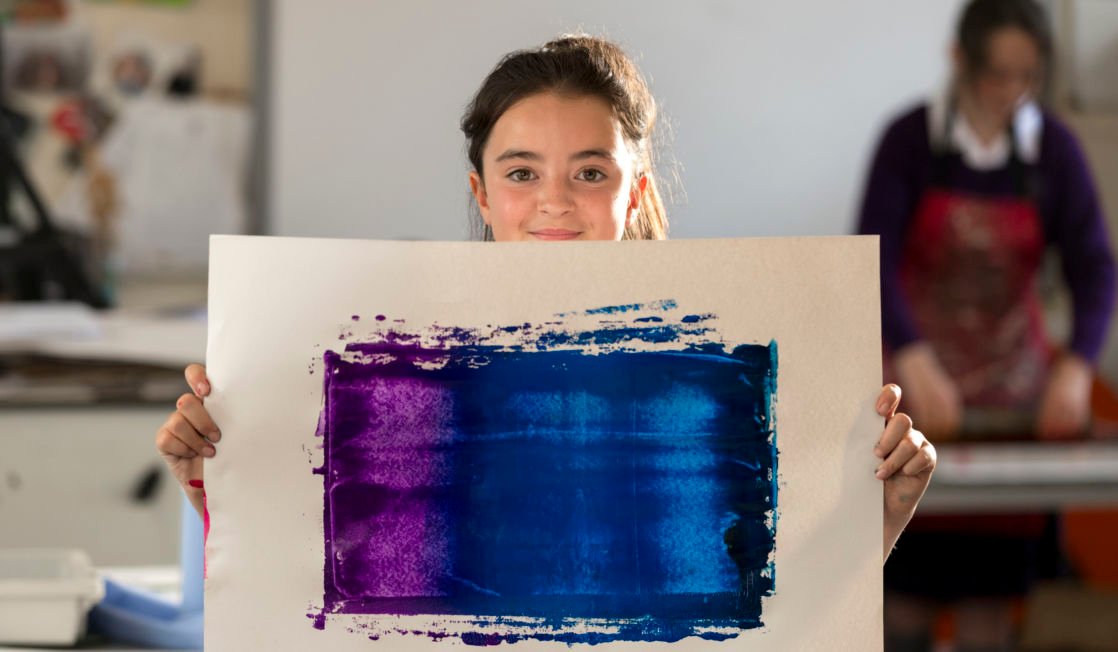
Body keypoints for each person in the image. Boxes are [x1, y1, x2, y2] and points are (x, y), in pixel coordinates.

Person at [156, 35, 936, 568]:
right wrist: (218, 479)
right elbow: (317, 580)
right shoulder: (404, 376)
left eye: (590, 172)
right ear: (483, 195)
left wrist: (882, 515)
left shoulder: (720, 378)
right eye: (522, 173)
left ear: (636, 194)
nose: (554, 201)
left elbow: (776, 596)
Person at [856, 1, 1115, 650]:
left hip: (1015, 405)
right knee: (903, 609)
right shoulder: (909, 141)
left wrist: (1077, 365)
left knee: (989, 615)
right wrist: (912, 356)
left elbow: (1094, 266)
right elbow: (871, 260)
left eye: (1026, 75)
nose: (1010, 91)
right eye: (997, 73)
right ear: (959, 62)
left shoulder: (1053, 150)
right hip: (920, 401)